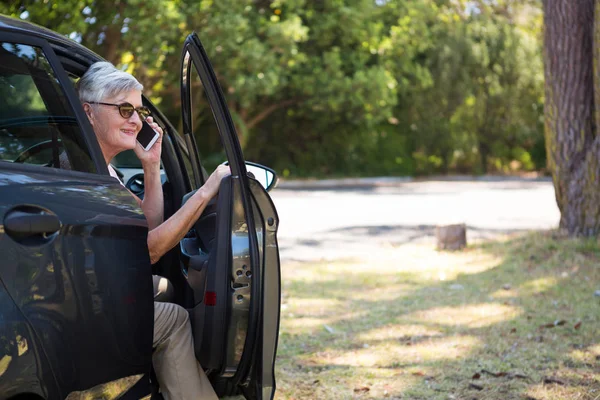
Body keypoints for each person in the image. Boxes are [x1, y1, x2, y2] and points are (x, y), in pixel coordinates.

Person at [77, 61, 228, 400]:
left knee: (162, 286)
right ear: (88, 112)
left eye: (138, 111)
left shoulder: (101, 168)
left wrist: (151, 166)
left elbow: (145, 228)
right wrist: (206, 192)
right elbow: (148, 250)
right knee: (173, 317)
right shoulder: (91, 176)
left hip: (92, 290)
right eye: (124, 109)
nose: (134, 119)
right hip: (85, 308)